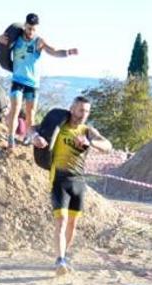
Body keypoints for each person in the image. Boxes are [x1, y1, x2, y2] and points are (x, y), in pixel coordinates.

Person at [32, 95, 112, 275]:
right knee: (61, 220)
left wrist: (90, 142)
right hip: (59, 179)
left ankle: (64, 256)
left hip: (78, 181)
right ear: (72, 109)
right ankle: (60, 259)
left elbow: (108, 145)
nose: (84, 114)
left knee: (72, 224)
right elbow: (32, 129)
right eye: (81, 110)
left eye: (87, 111)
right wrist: (35, 137)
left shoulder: (87, 131)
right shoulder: (59, 126)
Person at [0, 13, 78, 150]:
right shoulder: (16, 38)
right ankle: (10, 139)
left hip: (32, 84)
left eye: (34, 29)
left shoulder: (38, 41)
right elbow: (1, 45)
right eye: (29, 28)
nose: (31, 32)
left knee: (30, 113)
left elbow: (53, 51)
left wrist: (68, 52)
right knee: (15, 109)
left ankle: (28, 137)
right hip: (18, 80)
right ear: (25, 26)